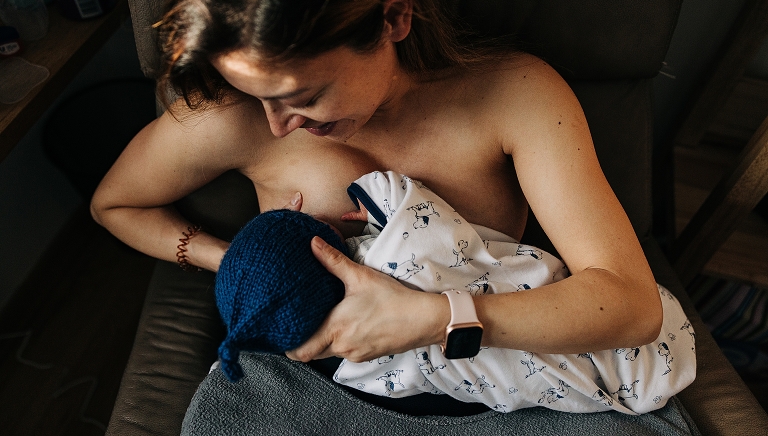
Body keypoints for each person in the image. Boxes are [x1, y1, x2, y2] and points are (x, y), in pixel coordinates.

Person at [90, 0, 695, 431]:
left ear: (394, 18)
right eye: (258, 95)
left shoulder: (514, 97)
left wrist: (435, 317)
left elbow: (630, 303)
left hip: (497, 388)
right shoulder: (236, 118)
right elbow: (115, 205)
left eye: (305, 95)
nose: (278, 126)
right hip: (315, 391)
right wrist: (237, 260)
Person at [215, 170, 695, 415]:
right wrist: (377, 209)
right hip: (652, 347)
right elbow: (406, 203)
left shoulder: (356, 366)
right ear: (322, 244)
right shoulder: (402, 242)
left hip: (628, 350)